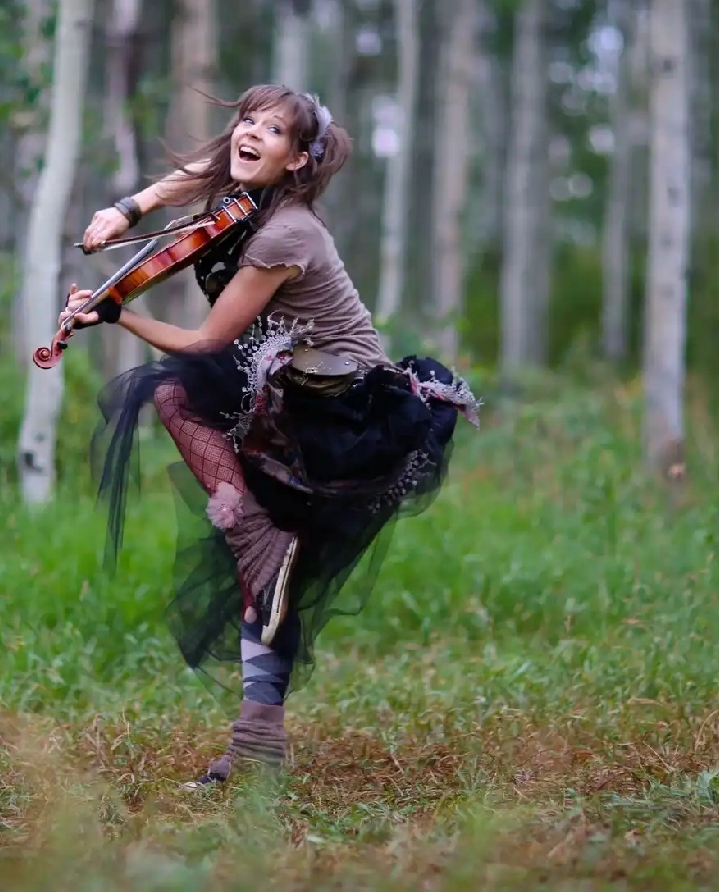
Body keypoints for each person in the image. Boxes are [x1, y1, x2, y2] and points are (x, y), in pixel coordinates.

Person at [65, 84, 479, 789]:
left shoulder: (288, 233)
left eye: (274, 129)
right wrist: (127, 209)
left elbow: (207, 342)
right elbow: (196, 174)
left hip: (342, 418)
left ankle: (253, 531)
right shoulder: (243, 195)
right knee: (266, 580)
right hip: (287, 396)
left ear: (298, 159)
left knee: (175, 393)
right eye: (247, 121)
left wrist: (116, 314)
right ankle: (257, 743)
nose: (251, 133)